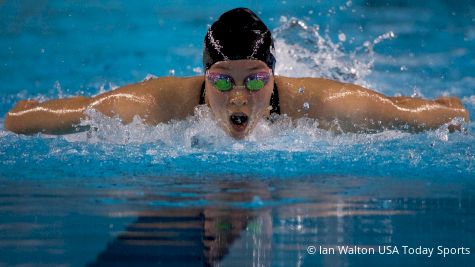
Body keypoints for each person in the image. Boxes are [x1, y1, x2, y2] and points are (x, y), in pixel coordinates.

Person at [4, 8, 469, 139]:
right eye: (223, 79)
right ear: (204, 76)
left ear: (275, 77)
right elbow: (20, 117)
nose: (241, 97)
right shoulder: (153, 107)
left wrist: (452, 113)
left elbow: (445, 113)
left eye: (256, 78)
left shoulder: (324, 104)